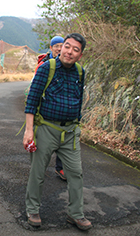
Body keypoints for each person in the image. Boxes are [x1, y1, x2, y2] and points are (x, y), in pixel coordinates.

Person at [23, 33, 92, 230]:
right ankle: (33, 209)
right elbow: (32, 99)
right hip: (46, 128)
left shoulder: (80, 72)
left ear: (80, 55)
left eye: (75, 49)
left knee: (75, 173)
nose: (69, 52)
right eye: (67, 46)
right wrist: (29, 131)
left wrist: (76, 124)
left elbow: (78, 99)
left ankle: (76, 214)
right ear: (61, 48)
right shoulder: (47, 68)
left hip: (70, 132)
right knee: (38, 172)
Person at [35, 36, 67, 181]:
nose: (59, 49)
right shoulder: (44, 65)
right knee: (44, 141)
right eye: (56, 46)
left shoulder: (67, 64)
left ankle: (61, 168)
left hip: (61, 109)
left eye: (62, 45)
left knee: (62, 139)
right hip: (45, 110)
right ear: (51, 47)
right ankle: (39, 168)